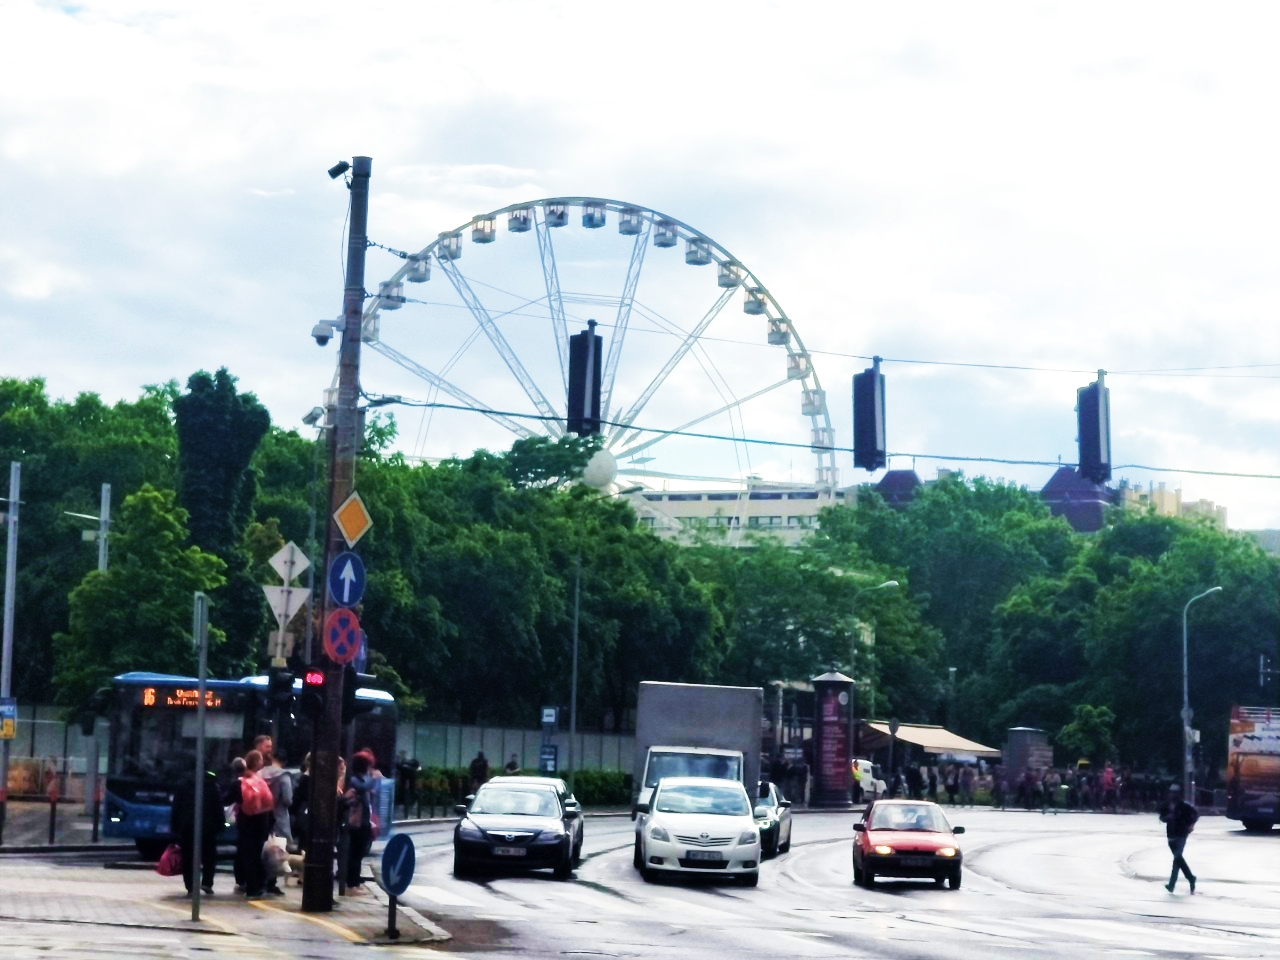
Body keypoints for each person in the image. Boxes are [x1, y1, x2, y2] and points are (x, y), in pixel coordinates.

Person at [229, 749, 274, 900]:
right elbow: (269, 803)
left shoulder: (238, 783)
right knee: (257, 855)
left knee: (248, 856)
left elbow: (227, 799)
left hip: (246, 823)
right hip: (261, 824)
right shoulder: (261, 781)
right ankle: (260, 885)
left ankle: (251, 887)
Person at [172, 767, 223, 896]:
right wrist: (220, 825)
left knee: (188, 857)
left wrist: (175, 826)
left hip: (187, 826)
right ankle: (207, 882)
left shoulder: (183, 785)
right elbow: (218, 808)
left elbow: (176, 807)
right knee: (209, 856)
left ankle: (190, 885)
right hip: (208, 827)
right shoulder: (212, 786)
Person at [342, 750, 378, 893]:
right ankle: (351, 884)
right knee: (355, 854)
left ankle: (355, 882)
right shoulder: (355, 780)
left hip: (363, 821)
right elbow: (362, 788)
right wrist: (373, 778)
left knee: (359, 853)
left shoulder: (360, 779)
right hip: (356, 823)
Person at [260, 746, 293, 896]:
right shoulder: (284, 777)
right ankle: (271, 882)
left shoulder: (261, 773)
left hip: (261, 814)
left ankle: (260, 880)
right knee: (277, 849)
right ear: (284, 761)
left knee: (263, 849)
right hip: (278, 816)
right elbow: (287, 799)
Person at [1159, 784, 1199, 893]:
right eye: (1171, 792)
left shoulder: (1184, 806)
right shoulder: (1166, 805)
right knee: (1178, 859)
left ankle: (1172, 884)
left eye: (1175, 793)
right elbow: (1161, 817)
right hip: (1171, 834)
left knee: (1177, 857)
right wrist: (1167, 818)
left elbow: (1195, 814)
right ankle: (1191, 878)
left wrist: (1191, 825)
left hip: (1181, 834)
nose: (1172, 795)